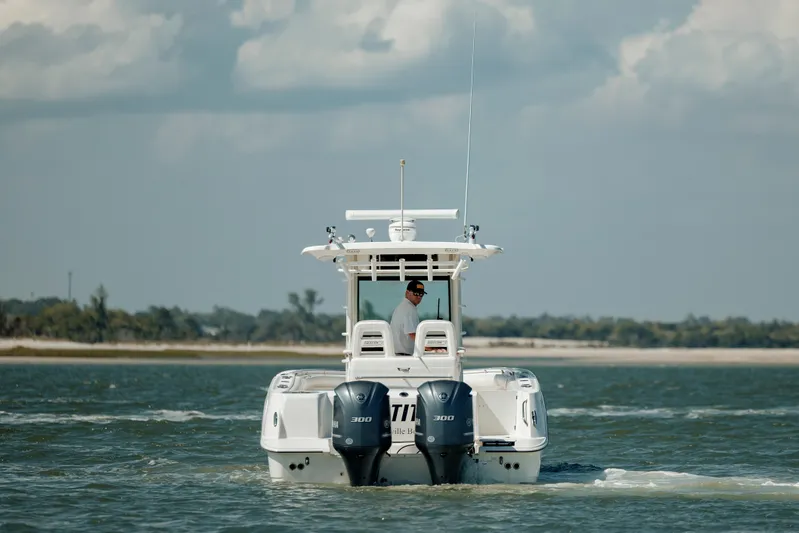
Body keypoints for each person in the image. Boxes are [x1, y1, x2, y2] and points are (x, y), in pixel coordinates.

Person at [390, 280, 426, 356]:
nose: (419, 296)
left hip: (398, 355)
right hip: (405, 357)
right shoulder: (409, 309)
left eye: (421, 294)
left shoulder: (402, 307)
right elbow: (412, 334)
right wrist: (432, 348)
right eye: (416, 293)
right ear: (407, 293)